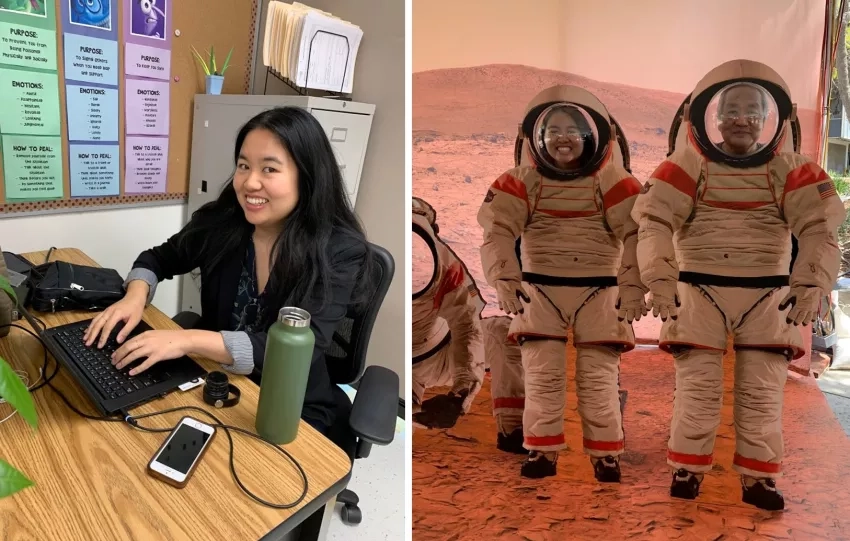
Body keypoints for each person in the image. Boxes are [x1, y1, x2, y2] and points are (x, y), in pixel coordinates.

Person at [631, 59, 846, 510]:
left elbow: (819, 231)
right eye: (731, 109)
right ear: (710, 116)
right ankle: (687, 468)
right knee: (697, 389)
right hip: (697, 292)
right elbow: (652, 223)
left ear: (771, 119)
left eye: (753, 109)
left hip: (768, 295)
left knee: (763, 393)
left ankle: (758, 479)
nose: (742, 119)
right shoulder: (685, 165)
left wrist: (810, 286)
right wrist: (660, 280)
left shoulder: (793, 169)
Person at [83, 107, 374, 435]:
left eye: (269, 169)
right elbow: (157, 259)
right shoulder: (222, 223)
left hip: (289, 404)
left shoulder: (338, 250)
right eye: (243, 166)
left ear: (306, 176)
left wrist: (186, 340)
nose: (250, 182)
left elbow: (295, 347)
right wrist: (135, 296)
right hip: (214, 381)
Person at [477, 85, 647, 481]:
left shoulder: (614, 181)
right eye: (553, 130)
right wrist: (504, 278)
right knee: (542, 378)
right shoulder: (519, 181)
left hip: (600, 292)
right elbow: (498, 231)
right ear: (537, 137)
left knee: (599, 378)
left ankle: (606, 455)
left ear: (593, 136)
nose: (563, 138)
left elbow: (639, 234)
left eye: (573, 130)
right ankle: (541, 451)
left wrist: (634, 285)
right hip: (540, 291)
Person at [410, 197, 487, 431]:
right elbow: (467, 322)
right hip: (431, 359)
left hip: (434, 356)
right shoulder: (439, 259)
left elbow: (466, 322)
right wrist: (459, 397)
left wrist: (460, 396)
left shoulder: (428, 259)